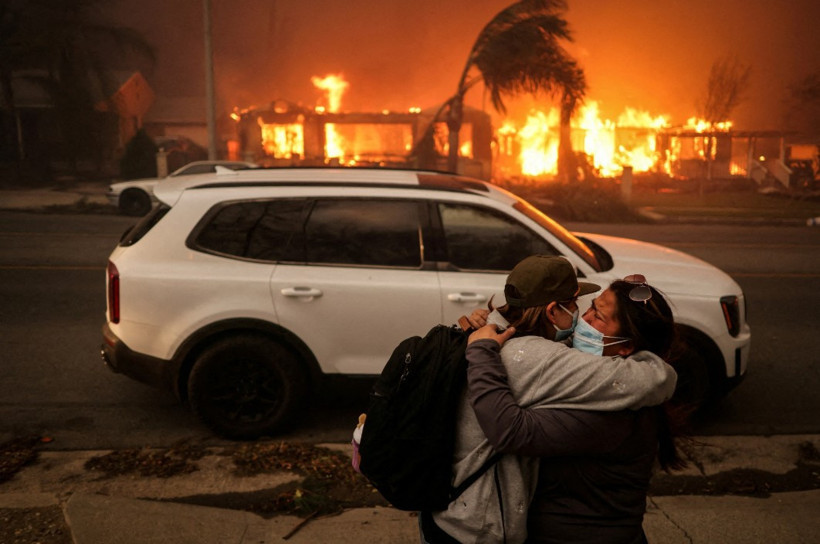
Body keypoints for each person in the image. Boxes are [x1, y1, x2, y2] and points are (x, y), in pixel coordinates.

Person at [421, 257, 677, 544]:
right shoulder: (559, 366)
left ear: (627, 346)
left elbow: (514, 426)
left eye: (597, 315)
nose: (585, 319)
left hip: (572, 534)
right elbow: (551, 361)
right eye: (586, 307)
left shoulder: (613, 407)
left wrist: (487, 335)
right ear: (554, 311)